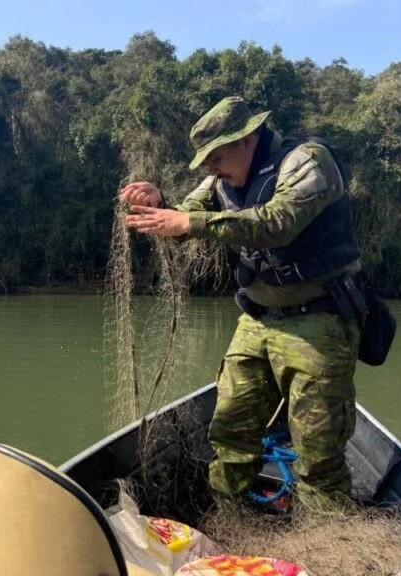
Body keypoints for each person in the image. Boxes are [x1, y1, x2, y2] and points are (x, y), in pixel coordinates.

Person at [120, 96, 364, 510]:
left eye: (216, 155)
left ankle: (327, 549)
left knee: (318, 454)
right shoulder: (222, 180)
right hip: (257, 319)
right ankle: (233, 527)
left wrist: (189, 221)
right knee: (230, 431)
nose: (211, 166)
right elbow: (187, 216)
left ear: (249, 139)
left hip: (319, 320)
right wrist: (159, 203)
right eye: (206, 159)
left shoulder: (307, 161)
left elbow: (278, 222)